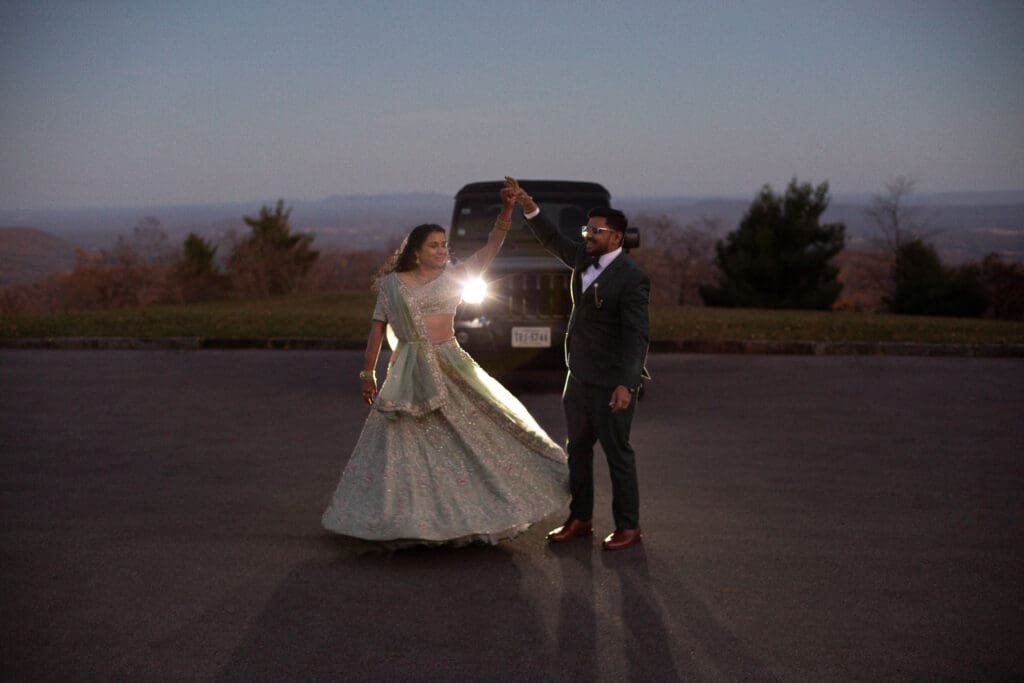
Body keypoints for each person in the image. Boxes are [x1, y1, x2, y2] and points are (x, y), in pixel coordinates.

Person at [321, 186, 568, 548]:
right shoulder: (392, 285)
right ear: (416, 252)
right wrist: (367, 373)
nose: (442, 250)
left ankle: (469, 513)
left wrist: (505, 211)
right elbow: (377, 329)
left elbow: (490, 248)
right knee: (403, 444)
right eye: (434, 245)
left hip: (452, 364)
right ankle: (403, 518)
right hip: (407, 371)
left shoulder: (454, 277)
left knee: (474, 435)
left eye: (444, 244)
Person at [506, 176, 650, 551]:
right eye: (589, 228)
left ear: (617, 237)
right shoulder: (584, 258)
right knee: (578, 451)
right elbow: (552, 240)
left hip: (611, 381)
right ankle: (581, 518)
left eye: (597, 231)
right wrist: (528, 206)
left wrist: (627, 384)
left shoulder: (633, 279)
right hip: (578, 376)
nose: (589, 234)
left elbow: (637, 336)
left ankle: (628, 527)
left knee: (618, 454)